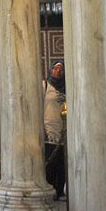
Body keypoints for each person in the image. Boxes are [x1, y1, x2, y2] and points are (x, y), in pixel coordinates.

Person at [43, 61, 65, 200]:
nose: (58, 71)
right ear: (51, 70)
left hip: (63, 128)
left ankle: (59, 190)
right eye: (56, 68)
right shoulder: (45, 86)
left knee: (62, 162)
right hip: (49, 128)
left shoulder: (66, 87)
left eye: (61, 69)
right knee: (50, 161)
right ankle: (50, 188)